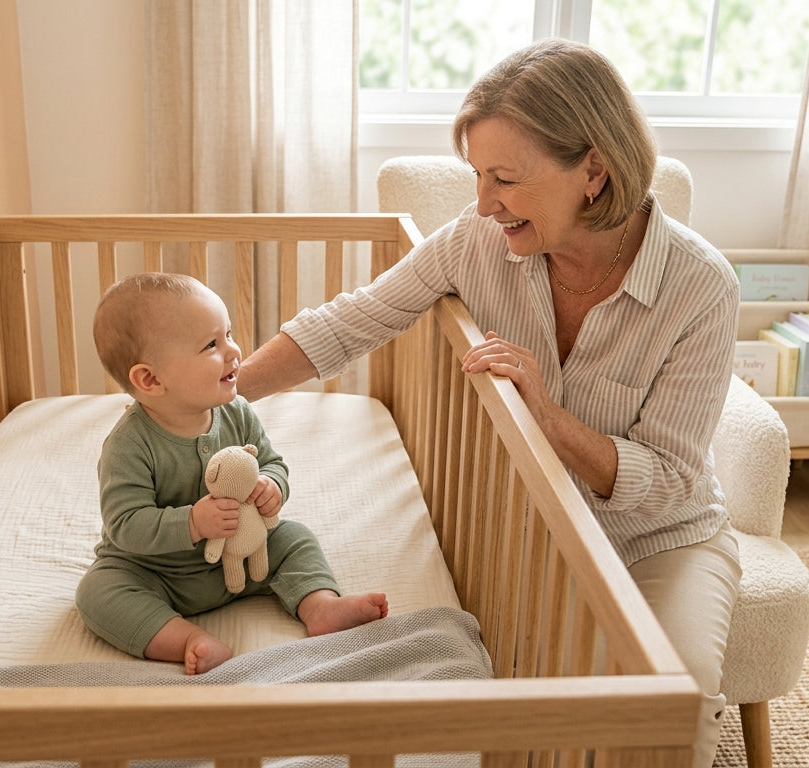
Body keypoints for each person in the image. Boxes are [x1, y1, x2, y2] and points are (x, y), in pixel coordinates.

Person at [238, 39, 740, 767]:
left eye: (505, 178)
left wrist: (547, 412)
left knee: (673, 708)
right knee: (526, 714)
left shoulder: (700, 288)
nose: (482, 202)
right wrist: (212, 395)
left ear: (593, 171)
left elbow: (669, 481)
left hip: (663, 540)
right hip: (539, 530)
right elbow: (350, 322)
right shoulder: (477, 242)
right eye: (477, 175)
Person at [77, 272, 388, 675]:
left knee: (294, 538)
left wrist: (271, 486)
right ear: (150, 379)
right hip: (156, 571)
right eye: (211, 344)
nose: (234, 351)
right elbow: (125, 525)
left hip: (240, 555)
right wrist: (192, 521)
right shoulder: (130, 445)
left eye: (228, 334)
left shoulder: (236, 410)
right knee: (97, 594)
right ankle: (186, 638)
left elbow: (273, 462)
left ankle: (320, 606)